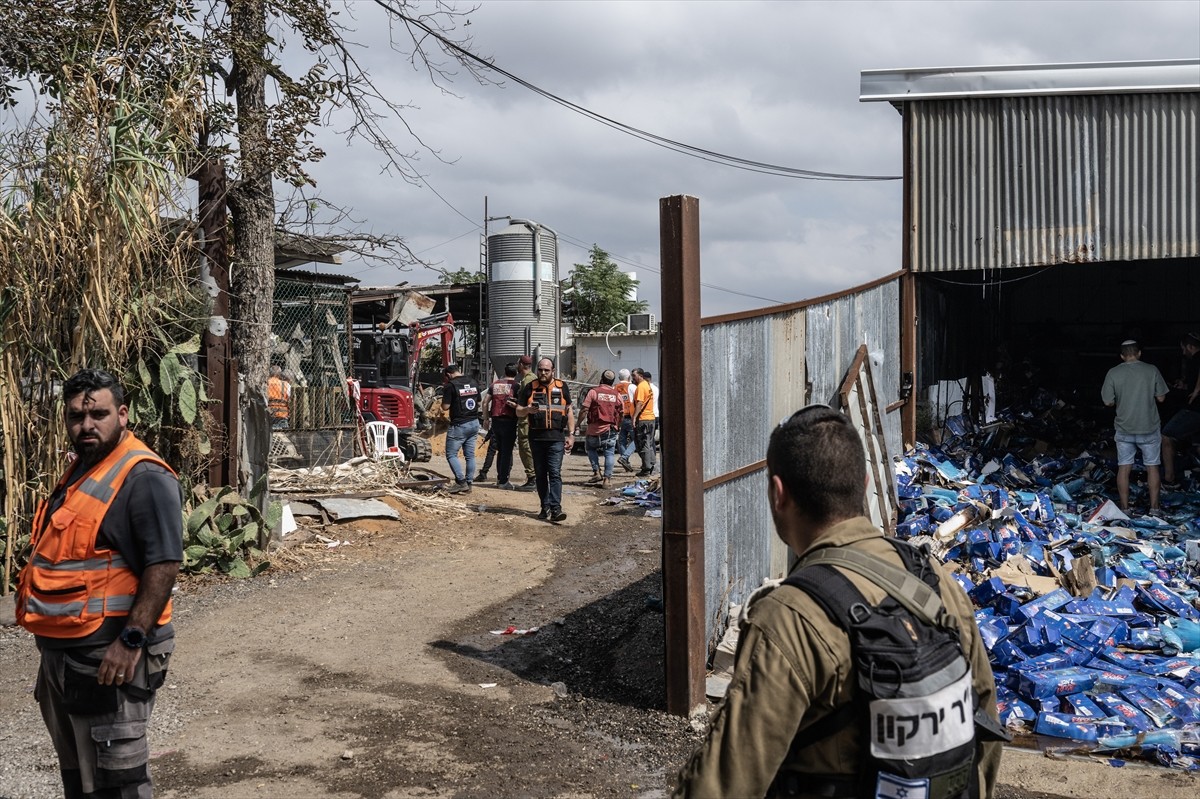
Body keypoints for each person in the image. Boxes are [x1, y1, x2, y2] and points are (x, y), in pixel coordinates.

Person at [674, 405, 1001, 797]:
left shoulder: (789, 617)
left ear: (778, 495)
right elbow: (985, 726)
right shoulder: (932, 581)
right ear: (864, 484)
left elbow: (722, 786)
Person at [17, 368, 183, 799]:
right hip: (67, 655)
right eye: (76, 417)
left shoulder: (143, 477)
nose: (86, 425)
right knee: (81, 779)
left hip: (110, 656)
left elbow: (163, 564)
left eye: (99, 414)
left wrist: (130, 641)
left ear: (123, 415)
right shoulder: (82, 468)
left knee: (118, 783)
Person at [1101, 340, 1168, 514]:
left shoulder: (1113, 372)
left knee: (1124, 467)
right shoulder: (1151, 370)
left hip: (1124, 428)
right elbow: (1161, 398)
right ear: (1139, 353)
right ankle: (1154, 508)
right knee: (1152, 467)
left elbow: (1108, 402)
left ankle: (1125, 508)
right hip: (1149, 427)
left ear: (1122, 356)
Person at [516, 357, 575, 522]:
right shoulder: (530, 387)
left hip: (556, 437)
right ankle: (545, 506)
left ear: (552, 371)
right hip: (536, 438)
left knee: (554, 473)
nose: (543, 373)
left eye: (546, 370)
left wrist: (571, 434)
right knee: (541, 475)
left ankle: (556, 509)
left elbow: (569, 411)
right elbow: (518, 411)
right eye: (540, 370)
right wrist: (527, 409)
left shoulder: (562, 387)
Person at [1161, 332, 1200, 487]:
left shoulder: (1197, 358)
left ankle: (1169, 479)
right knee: (1197, 445)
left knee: (1167, 435)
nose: (1183, 352)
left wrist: (1197, 389)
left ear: (1190, 346)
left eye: (1184, 349)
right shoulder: (1193, 363)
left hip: (1195, 410)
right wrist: (1185, 385)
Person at [476, 363, 519, 489]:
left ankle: (500, 478)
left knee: (499, 450)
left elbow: (485, 402)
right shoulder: (516, 386)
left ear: (504, 372)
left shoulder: (495, 385)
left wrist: (486, 419)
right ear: (515, 373)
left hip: (496, 421)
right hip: (509, 421)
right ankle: (503, 480)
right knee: (506, 452)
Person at [441, 363, 482, 495]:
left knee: (451, 454)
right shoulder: (473, 382)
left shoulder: (450, 386)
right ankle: (469, 483)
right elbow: (479, 402)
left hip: (459, 425)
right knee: (469, 455)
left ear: (448, 375)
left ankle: (461, 482)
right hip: (474, 422)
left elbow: (445, 407)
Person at [578, 370, 622, 488]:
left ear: (601, 379)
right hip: (610, 429)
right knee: (609, 453)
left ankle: (596, 472)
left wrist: (578, 423)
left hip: (593, 429)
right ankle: (607, 480)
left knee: (590, 449)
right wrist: (618, 425)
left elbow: (584, 409)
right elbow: (621, 411)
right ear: (613, 381)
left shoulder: (593, 392)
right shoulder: (617, 394)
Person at [512, 355, 537, 491]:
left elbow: (528, 401)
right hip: (527, 417)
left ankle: (532, 478)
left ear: (521, 365)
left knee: (526, 448)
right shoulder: (531, 378)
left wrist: (517, 405)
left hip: (526, 420)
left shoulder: (528, 380)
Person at [630, 367, 657, 477]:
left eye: (634, 375)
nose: (633, 378)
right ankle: (651, 464)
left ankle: (646, 468)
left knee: (643, 444)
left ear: (640, 375)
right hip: (651, 418)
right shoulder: (647, 385)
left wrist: (634, 417)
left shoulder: (641, 387)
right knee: (649, 443)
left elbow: (640, 404)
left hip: (643, 419)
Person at [614, 368, 637, 472]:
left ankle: (625, 461)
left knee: (621, 440)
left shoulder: (615, 387)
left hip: (620, 417)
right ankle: (624, 458)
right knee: (636, 440)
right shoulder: (632, 387)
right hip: (631, 417)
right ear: (629, 377)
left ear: (619, 378)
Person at [267, 364, 289, 428]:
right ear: (279, 374)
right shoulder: (285, 384)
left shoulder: (266, 383)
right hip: (282, 415)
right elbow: (291, 399)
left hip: (269, 414)